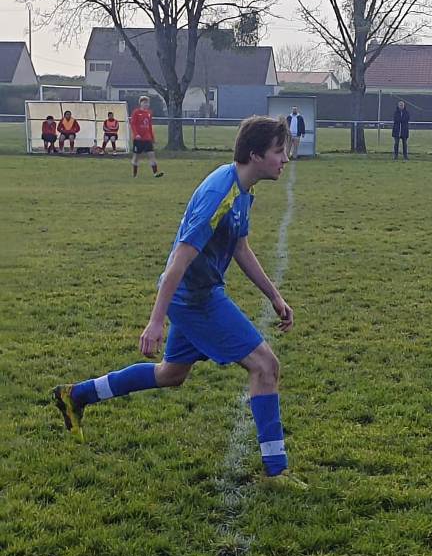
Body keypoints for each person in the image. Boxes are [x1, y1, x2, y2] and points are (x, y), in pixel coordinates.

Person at [52, 116, 305, 486]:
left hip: (199, 293)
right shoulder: (220, 195)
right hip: (194, 299)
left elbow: (240, 246)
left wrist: (274, 295)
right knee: (266, 366)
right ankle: (276, 471)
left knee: (170, 374)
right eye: (279, 152)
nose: (285, 159)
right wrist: (155, 321)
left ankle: (76, 395)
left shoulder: (242, 188)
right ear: (255, 155)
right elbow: (178, 260)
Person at [130, 96, 163, 178]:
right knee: (136, 157)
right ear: (140, 103)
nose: (146, 104)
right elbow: (133, 124)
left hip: (147, 138)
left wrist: (152, 137)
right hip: (138, 139)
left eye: (147, 103)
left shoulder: (149, 113)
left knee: (152, 155)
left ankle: (155, 173)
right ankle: (135, 174)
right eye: (144, 103)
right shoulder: (136, 112)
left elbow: (149, 126)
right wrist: (136, 134)